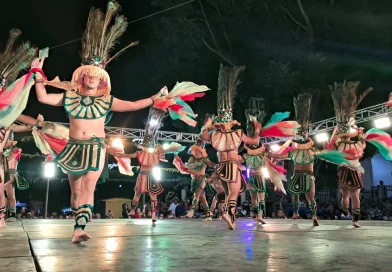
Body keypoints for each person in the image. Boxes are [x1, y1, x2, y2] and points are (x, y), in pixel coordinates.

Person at [30, 2, 170, 243]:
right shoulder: (69, 96)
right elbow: (42, 97)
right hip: (73, 147)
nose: (93, 79)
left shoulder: (107, 101)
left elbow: (135, 104)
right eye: (89, 75)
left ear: (102, 79)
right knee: (75, 193)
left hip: (96, 146)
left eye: (98, 76)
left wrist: (154, 98)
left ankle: (79, 228)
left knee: (88, 185)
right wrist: (37, 75)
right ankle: (78, 216)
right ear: (83, 76)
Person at [269, 93, 363, 226]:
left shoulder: (297, 152)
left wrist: (272, 154)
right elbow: (330, 152)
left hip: (303, 175)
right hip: (308, 175)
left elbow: (277, 156)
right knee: (310, 197)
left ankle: (300, 214)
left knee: (300, 195)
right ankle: (314, 216)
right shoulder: (311, 151)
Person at [200, 65, 261, 230]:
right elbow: (254, 141)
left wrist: (209, 125)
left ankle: (231, 221)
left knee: (228, 194)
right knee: (234, 193)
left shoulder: (215, 135)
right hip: (233, 166)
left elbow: (201, 136)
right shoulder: (238, 134)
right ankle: (227, 213)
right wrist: (257, 128)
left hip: (221, 168)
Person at [112, 106, 185, 225]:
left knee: (148, 196)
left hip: (147, 175)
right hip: (145, 175)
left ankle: (149, 213)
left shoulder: (153, 152)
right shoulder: (143, 153)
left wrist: (120, 154)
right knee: (141, 195)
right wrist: (118, 155)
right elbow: (128, 155)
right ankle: (134, 210)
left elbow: (158, 149)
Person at [173, 139, 216, 220]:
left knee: (196, 195)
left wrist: (218, 165)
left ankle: (192, 211)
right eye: (195, 151)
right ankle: (208, 215)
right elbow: (187, 168)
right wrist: (178, 160)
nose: (196, 153)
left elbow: (211, 164)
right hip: (193, 179)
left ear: (202, 152)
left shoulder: (204, 159)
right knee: (202, 198)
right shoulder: (191, 159)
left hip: (201, 179)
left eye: (198, 151)